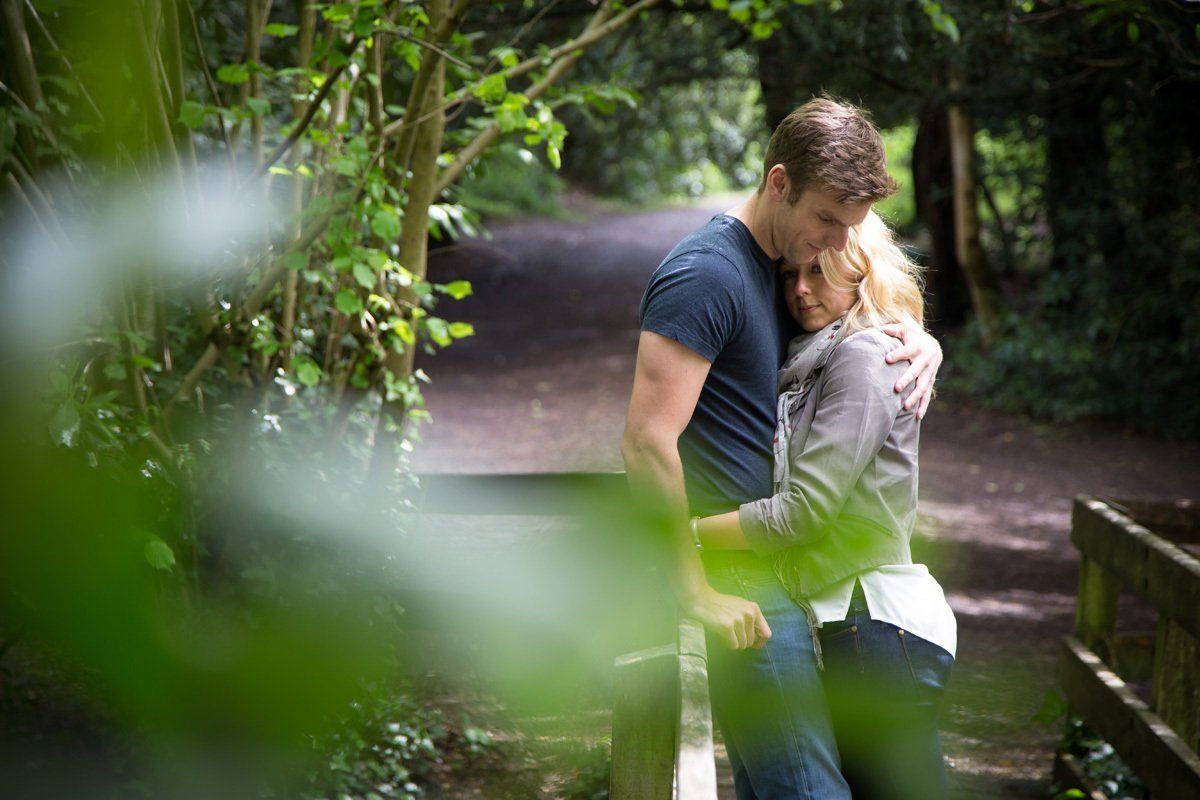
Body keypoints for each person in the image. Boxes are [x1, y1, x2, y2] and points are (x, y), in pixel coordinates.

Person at [621, 96, 943, 800]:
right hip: (736, 583)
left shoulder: (778, 268)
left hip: (776, 578)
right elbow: (647, 443)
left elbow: (850, 337)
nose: (832, 243)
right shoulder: (707, 272)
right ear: (778, 183)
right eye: (826, 218)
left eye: (848, 228)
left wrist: (922, 340)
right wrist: (693, 586)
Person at [694, 210, 957, 800]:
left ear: (862, 274)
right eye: (791, 276)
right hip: (854, 622)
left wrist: (689, 533)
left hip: (877, 625)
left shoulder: (863, 356)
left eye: (821, 272)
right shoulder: (814, 358)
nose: (802, 290)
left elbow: (804, 511)